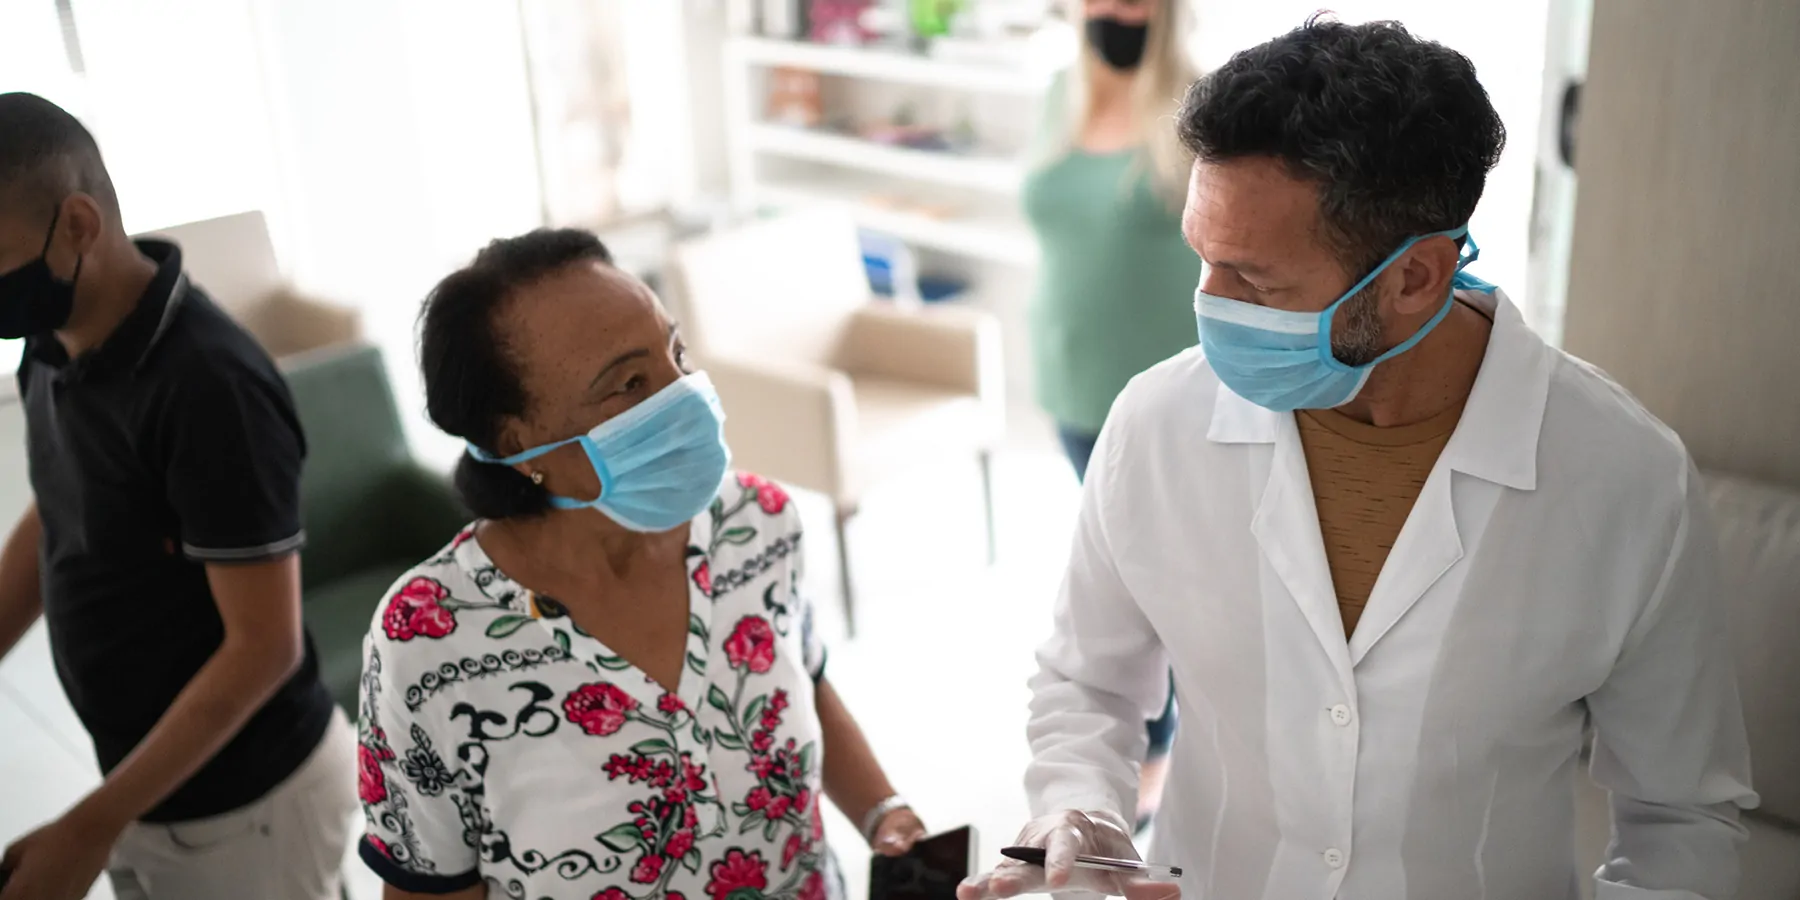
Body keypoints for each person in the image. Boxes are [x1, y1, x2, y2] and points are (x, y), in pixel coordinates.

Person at [964, 17, 1757, 900]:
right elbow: (1086, 683)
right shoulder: (1157, 424)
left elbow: (1680, 816)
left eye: (1256, 281)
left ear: (1416, 277)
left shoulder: (1627, 481)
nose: (1209, 304)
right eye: (1203, 259)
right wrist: (1079, 807)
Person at [357, 229, 928, 899]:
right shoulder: (427, 639)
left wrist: (883, 811)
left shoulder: (757, 522)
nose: (684, 393)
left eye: (675, 352)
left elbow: (805, 677)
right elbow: (428, 886)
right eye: (629, 384)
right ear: (518, 441)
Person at [0, 93, 354, 900]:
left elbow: (264, 649)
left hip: (248, 811)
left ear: (78, 224)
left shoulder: (210, 387)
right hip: (141, 787)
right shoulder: (49, 343)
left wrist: (86, 828)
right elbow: (61, 506)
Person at [1021, 0, 1200, 830]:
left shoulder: (1198, 102)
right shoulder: (1058, 93)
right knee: (1114, 569)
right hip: (1072, 375)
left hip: (1161, 390)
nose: (1115, 9)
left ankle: (1160, 751)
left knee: (1160, 573)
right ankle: (1138, 743)